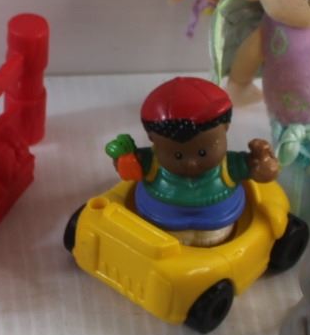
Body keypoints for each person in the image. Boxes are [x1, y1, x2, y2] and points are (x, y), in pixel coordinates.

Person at [105, 76, 279, 246]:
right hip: (162, 226)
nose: (191, 163)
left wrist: (263, 165)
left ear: (225, 128)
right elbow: (130, 171)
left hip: (216, 225)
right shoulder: (151, 162)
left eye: (202, 153)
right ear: (152, 139)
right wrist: (124, 159)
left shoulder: (229, 165)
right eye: (177, 155)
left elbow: (259, 173)